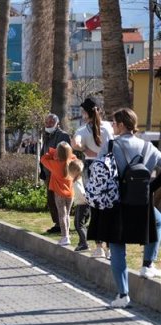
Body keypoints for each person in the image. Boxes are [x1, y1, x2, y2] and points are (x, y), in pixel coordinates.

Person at [89, 108, 161, 308]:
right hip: (141, 204)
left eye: (114, 123)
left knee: (117, 247)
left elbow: (99, 171)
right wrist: (149, 188)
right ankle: (147, 265)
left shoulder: (111, 146)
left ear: (121, 125)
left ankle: (123, 295)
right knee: (158, 221)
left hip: (116, 203)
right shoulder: (149, 147)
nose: (112, 126)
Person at [73, 98, 114, 258]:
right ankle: (110, 247)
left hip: (92, 168)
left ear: (86, 113)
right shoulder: (110, 126)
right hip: (109, 167)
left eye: (83, 112)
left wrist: (85, 150)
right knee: (109, 207)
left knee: (96, 208)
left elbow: (75, 143)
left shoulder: (83, 130)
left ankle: (98, 247)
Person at [40, 113, 72, 233]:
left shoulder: (62, 136)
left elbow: (64, 155)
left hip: (58, 173)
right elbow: (44, 151)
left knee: (59, 201)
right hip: (49, 172)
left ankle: (61, 225)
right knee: (51, 200)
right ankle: (57, 224)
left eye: (51, 122)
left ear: (57, 123)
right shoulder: (47, 135)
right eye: (47, 122)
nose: (48, 124)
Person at [41, 142, 77, 246]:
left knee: (62, 215)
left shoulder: (54, 164)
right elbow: (73, 157)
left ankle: (65, 237)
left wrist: (52, 152)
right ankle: (67, 235)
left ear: (58, 153)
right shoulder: (72, 162)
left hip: (59, 193)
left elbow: (43, 159)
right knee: (67, 215)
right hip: (70, 193)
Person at [68, 159, 90, 251]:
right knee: (81, 224)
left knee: (78, 225)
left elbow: (82, 194)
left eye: (70, 172)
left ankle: (84, 243)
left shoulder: (77, 183)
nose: (69, 173)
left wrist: (86, 201)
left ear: (75, 172)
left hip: (82, 205)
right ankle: (82, 242)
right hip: (84, 205)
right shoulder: (80, 180)